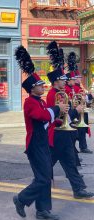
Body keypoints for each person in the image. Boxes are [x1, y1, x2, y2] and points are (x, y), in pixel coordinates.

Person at [13, 45, 69, 220]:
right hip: (35, 145)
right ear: (32, 89)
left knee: (46, 177)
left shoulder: (41, 101)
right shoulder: (31, 103)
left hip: (43, 142)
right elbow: (41, 116)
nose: (43, 85)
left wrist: (60, 116)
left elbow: (48, 119)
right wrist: (57, 108)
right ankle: (21, 199)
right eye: (39, 84)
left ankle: (43, 210)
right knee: (43, 178)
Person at [46, 60, 93, 199]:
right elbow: (59, 117)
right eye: (62, 79)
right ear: (56, 81)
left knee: (70, 163)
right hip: (58, 134)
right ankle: (34, 189)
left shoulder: (60, 92)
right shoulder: (53, 95)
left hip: (64, 134)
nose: (65, 81)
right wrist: (75, 111)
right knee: (48, 165)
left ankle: (78, 189)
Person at [73, 72, 92, 154]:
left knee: (82, 130)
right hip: (77, 112)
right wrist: (90, 96)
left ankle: (82, 147)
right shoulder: (75, 88)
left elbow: (84, 99)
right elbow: (82, 99)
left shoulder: (78, 87)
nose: (80, 79)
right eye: (78, 77)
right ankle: (81, 147)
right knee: (79, 131)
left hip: (81, 111)